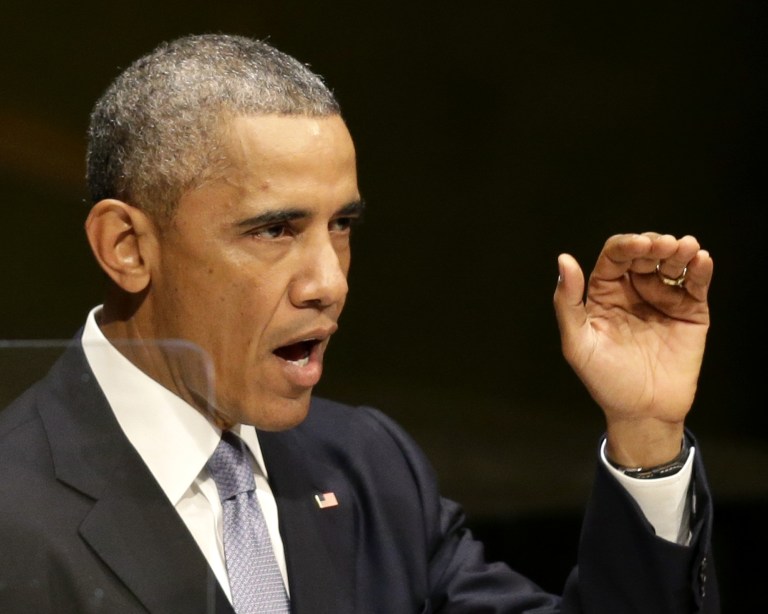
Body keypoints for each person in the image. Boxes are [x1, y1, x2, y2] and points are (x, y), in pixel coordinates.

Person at [0, 33, 718, 613]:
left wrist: (645, 433)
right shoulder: (12, 509)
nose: (329, 282)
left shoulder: (369, 465)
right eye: (274, 230)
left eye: (341, 225)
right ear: (128, 247)